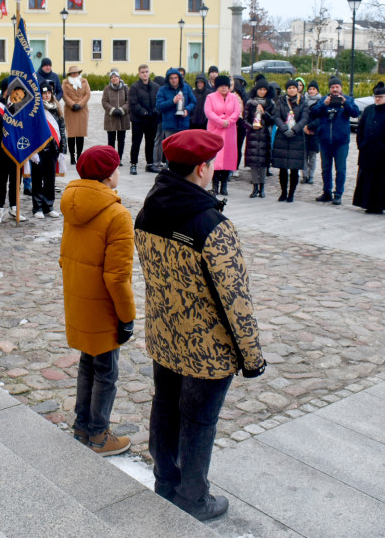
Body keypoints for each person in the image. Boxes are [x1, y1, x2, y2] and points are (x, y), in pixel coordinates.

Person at [134, 130, 265, 520]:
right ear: (203, 169)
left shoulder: (148, 210)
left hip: (164, 334)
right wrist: (252, 357)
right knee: (199, 420)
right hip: (208, 346)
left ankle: (165, 480)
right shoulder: (212, 225)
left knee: (165, 407)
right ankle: (193, 496)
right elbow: (236, 300)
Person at [59, 145, 136, 455]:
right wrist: (127, 317)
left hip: (80, 299)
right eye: (116, 167)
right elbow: (117, 277)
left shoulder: (72, 204)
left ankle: (82, 426)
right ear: (108, 175)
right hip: (103, 307)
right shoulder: (117, 214)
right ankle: (99, 435)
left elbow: (64, 258)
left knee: (87, 365)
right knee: (106, 371)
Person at [352, 83, 385, 214]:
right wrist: (361, 144)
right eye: (376, 97)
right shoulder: (369, 110)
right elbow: (361, 128)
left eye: (380, 97)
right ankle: (366, 203)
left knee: (381, 180)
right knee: (366, 178)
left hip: (382, 153)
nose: (377, 99)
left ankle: (379, 205)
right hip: (367, 151)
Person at [308, 76, 359, 205]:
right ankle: (327, 192)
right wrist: (324, 105)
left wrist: (345, 103)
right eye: (332, 87)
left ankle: (338, 194)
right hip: (325, 140)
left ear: (341, 88)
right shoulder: (324, 100)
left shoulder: (348, 99)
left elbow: (355, 113)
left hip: (341, 141)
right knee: (326, 168)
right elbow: (313, 113)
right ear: (329, 88)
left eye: (337, 87)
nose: (335, 89)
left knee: (340, 169)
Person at [0, 82, 26, 224]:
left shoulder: (21, 108)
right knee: (2, 181)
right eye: (12, 91)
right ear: (5, 92)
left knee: (16, 181)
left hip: (17, 150)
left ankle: (14, 207)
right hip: (2, 150)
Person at [270, 78, 310, 202]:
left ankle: (291, 193)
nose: (291, 90)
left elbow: (305, 118)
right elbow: (276, 116)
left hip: (296, 137)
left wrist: (294, 130)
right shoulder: (281, 101)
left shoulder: (302, 101)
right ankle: (283, 192)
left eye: (293, 87)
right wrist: (283, 128)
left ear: (297, 89)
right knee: (283, 167)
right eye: (289, 88)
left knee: (294, 168)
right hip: (283, 136)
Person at [203, 75, 242, 197]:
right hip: (215, 130)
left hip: (229, 131)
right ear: (217, 86)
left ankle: (224, 183)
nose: (224, 88)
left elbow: (236, 112)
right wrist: (221, 122)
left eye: (226, 86)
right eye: (221, 86)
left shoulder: (233, 98)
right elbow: (209, 112)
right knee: (216, 157)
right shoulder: (211, 97)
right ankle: (215, 184)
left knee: (228, 158)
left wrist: (229, 121)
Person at [30, 85, 64, 219]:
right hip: (39, 150)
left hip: (52, 149)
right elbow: (31, 131)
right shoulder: (36, 110)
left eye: (49, 93)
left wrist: (62, 150)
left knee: (50, 179)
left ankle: (48, 206)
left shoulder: (56, 109)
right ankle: (37, 207)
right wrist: (32, 151)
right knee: (37, 179)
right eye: (44, 93)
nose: (47, 95)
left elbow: (62, 130)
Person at [153, 68, 195, 168]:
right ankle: (170, 167)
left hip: (183, 124)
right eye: (171, 78)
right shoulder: (162, 90)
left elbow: (193, 102)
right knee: (171, 148)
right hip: (169, 125)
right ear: (168, 79)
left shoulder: (186, 88)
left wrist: (187, 110)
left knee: (183, 147)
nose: (174, 80)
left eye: (176, 78)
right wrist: (173, 101)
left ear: (179, 78)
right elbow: (159, 106)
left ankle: (182, 168)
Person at [243, 77, 275, 198]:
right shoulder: (250, 103)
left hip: (265, 135)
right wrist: (251, 127)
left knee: (263, 163)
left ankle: (262, 187)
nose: (262, 92)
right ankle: (255, 186)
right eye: (260, 89)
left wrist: (264, 112)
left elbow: (272, 120)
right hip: (252, 135)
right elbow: (244, 120)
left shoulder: (270, 103)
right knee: (253, 163)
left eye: (264, 89)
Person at [128, 64, 159, 175]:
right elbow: (133, 103)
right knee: (136, 142)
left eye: (146, 71)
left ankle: (150, 164)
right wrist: (144, 112)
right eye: (142, 72)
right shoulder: (134, 87)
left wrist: (154, 111)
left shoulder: (155, 86)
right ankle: (133, 164)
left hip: (152, 119)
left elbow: (159, 101)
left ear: (149, 72)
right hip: (139, 120)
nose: (145, 74)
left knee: (150, 142)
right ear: (139, 74)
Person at [63, 65, 91, 166]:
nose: (75, 75)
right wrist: (72, 104)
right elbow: (64, 94)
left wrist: (80, 104)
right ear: (70, 74)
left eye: (76, 73)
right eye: (72, 73)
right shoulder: (65, 82)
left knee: (80, 134)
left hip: (82, 110)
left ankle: (79, 155)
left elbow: (87, 94)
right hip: (70, 110)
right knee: (71, 134)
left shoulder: (84, 81)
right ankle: (72, 156)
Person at [101, 70, 130, 165]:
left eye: (115, 77)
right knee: (111, 139)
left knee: (121, 139)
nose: (114, 78)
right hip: (111, 118)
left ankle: (119, 158)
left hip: (123, 117)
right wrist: (112, 110)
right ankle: (112, 158)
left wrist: (122, 110)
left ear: (119, 78)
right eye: (112, 77)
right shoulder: (107, 88)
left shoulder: (125, 88)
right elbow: (104, 102)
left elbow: (129, 101)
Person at [301, 80, 322, 184]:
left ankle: (311, 175)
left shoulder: (320, 101)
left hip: (314, 132)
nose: (311, 91)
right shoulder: (303, 100)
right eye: (310, 89)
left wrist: (310, 127)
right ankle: (304, 175)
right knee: (304, 154)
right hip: (303, 131)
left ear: (317, 90)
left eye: (314, 89)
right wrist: (304, 127)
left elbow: (320, 118)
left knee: (312, 156)